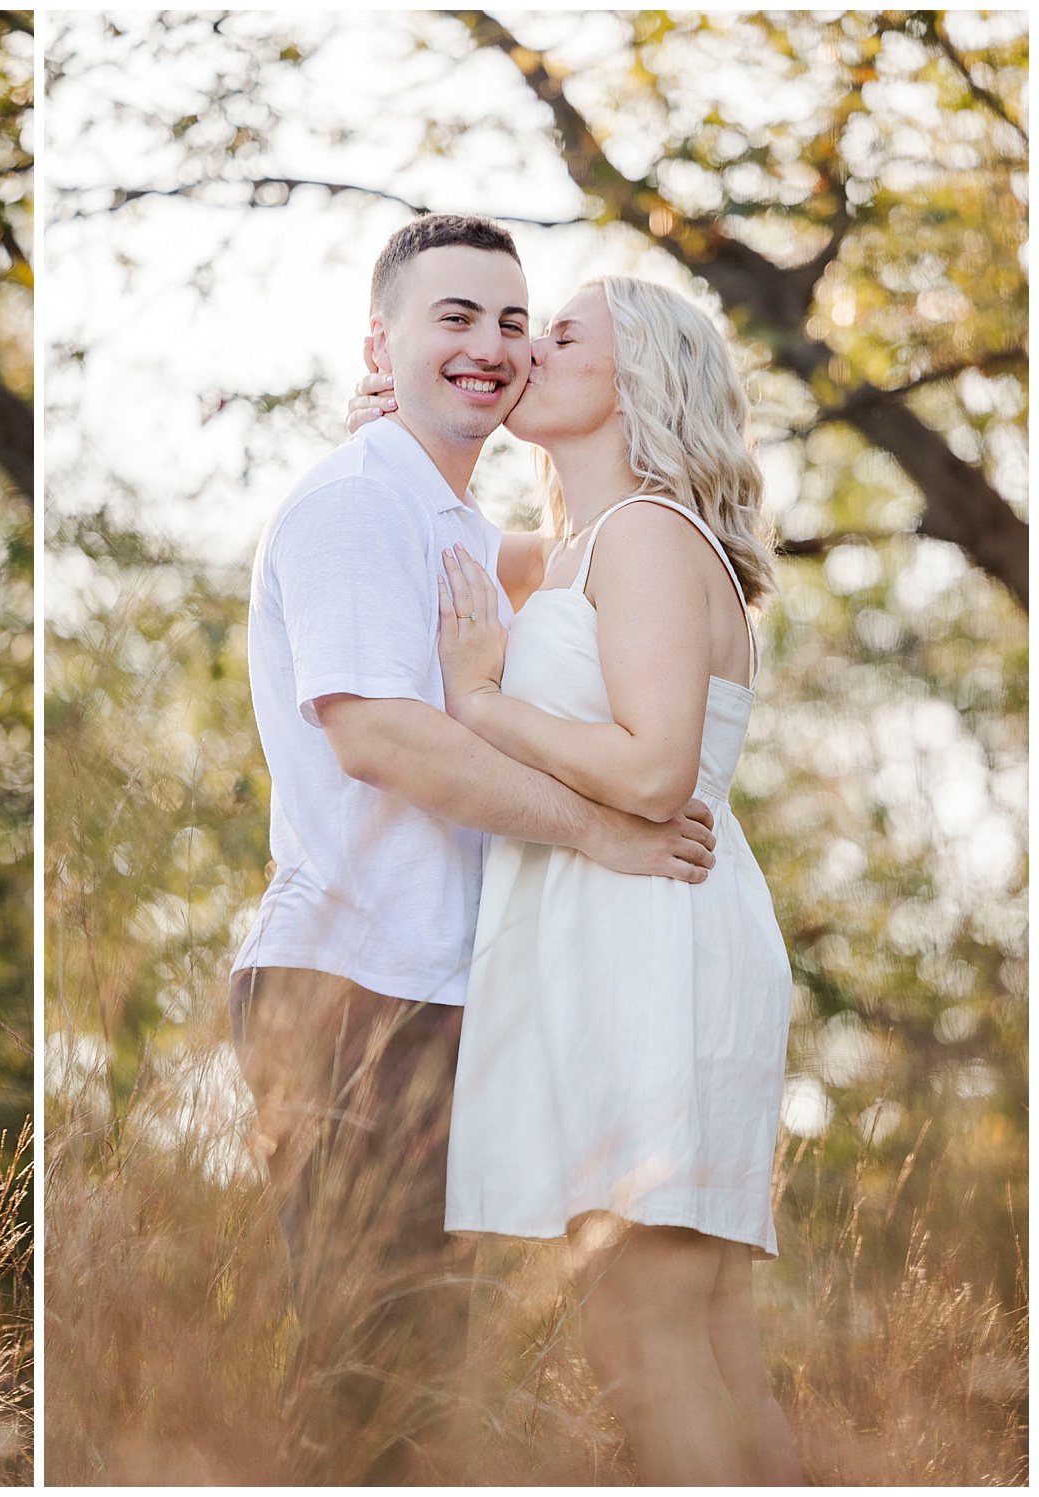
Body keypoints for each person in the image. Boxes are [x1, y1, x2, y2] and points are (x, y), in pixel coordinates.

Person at [230, 213, 721, 1479]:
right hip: (356, 985)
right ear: (379, 344)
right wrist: (596, 832)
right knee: (368, 1372)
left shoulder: (454, 526)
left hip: (453, 997)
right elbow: (382, 737)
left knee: (425, 1373)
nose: (493, 346)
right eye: (453, 316)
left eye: (514, 321)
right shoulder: (353, 506)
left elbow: (599, 573)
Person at [351, 274, 800, 1483]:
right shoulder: (578, 550)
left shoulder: (648, 534)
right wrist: (387, 424)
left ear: (637, 380)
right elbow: (425, 522)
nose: (522, 349)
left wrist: (483, 701)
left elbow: (654, 772)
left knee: (645, 1323)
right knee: (699, 1330)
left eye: (557, 335)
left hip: (652, 928)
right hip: (626, 930)